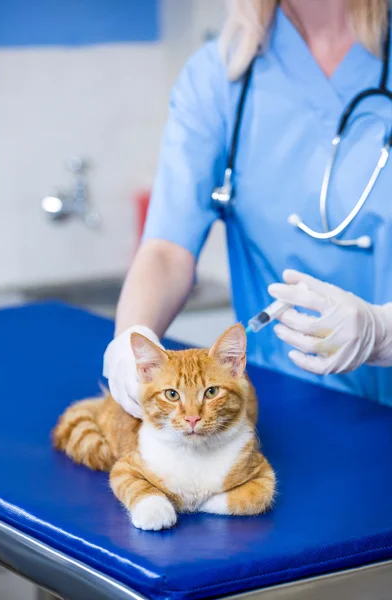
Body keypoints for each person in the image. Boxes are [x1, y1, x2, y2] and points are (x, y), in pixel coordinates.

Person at [104, 0, 392, 418]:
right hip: (281, 407)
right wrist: (130, 339)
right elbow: (167, 248)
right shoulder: (220, 76)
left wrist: (382, 333)